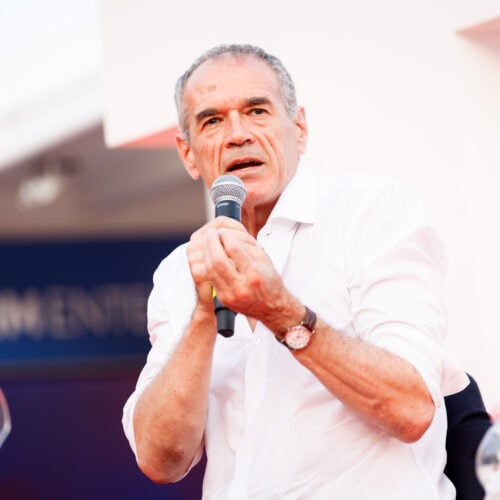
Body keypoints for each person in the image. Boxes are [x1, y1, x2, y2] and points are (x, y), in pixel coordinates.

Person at [123, 44, 470, 499]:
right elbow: (159, 460)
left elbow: (412, 409)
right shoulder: (178, 272)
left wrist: (282, 313)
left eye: (257, 111)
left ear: (299, 129)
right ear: (188, 154)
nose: (238, 134)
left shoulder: (373, 212)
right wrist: (205, 315)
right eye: (212, 121)